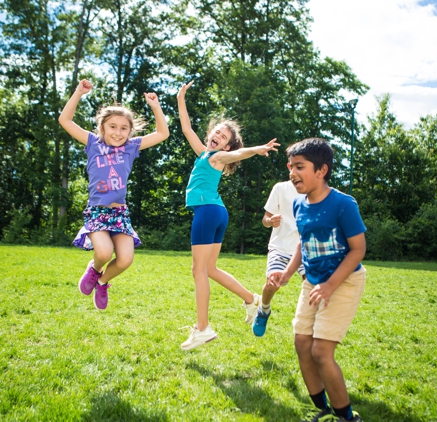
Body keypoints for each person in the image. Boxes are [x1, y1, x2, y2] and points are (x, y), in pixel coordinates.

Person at [177, 81, 279, 351]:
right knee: (210, 269)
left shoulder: (217, 157)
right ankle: (250, 299)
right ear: (210, 134)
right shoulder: (203, 153)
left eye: (223, 137)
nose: (217, 137)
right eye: (216, 132)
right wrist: (180, 98)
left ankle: (203, 329)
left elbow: (238, 153)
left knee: (198, 270)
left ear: (227, 146)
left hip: (208, 212)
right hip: (217, 212)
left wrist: (256, 149)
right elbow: (186, 128)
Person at [269, 138, 366, 422]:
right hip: (313, 282)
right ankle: (321, 408)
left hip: (344, 281)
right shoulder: (299, 205)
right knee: (302, 342)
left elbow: (358, 249)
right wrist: (287, 273)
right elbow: (303, 242)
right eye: (290, 167)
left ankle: (346, 417)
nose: (292, 173)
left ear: (321, 170)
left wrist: (330, 285)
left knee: (321, 351)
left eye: (300, 167)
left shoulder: (343, 204)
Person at [59, 79, 169, 310]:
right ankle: (94, 269)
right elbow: (65, 120)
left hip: (120, 213)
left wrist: (156, 107)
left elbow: (162, 133)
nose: (118, 132)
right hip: (98, 211)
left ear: (130, 131)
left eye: (123, 128)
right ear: (102, 128)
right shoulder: (92, 142)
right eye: (112, 126)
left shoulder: (131, 147)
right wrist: (79, 93)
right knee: (104, 251)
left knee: (126, 259)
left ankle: (102, 281)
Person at [252, 180, 306, 337]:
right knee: (272, 283)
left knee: (312, 283)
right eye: (293, 165)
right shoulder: (280, 188)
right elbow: (265, 219)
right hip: (280, 247)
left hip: (305, 248)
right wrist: (270, 221)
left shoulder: (316, 190)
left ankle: (309, 324)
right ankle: (264, 309)